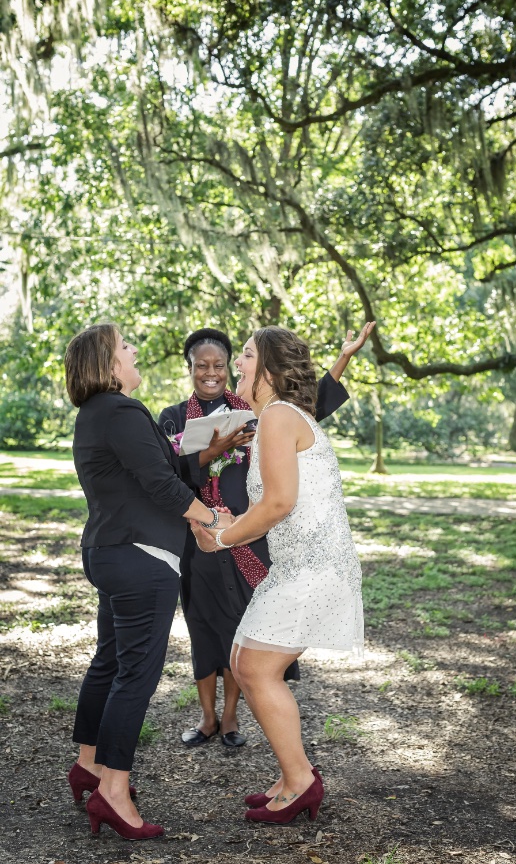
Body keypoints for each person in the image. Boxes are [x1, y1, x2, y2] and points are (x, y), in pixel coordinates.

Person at [158, 323, 374, 749]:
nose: (218, 370)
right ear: (189, 368)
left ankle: (239, 724)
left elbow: (309, 407)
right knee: (211, 633)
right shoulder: (172, 417)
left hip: (253, 539)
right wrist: (212, 459)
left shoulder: (263, 414)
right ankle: (210, 719)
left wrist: (343, 357)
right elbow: (166, 473)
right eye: (203, 365)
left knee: (247, 649)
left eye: (228, 361)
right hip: (205, 533)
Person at [63, 323, 232, 841]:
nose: (133, 351)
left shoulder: (97, 414)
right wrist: (212, 521)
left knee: (110, 661)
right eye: (125, 346)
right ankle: (114, 792)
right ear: (111, 365)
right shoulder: (122, 410)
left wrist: (210, 452)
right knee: (134, 675)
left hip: (110, 553)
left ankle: (89, 766)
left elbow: (159, 469)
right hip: (140, 558)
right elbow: (161, 485)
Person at [194, 326, 364, 825]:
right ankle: (294, 775)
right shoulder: (282, 415)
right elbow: (279, 504)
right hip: (298, 566)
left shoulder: (276, 417)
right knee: (244, 660)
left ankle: (300, 782)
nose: (236, 365)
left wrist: (224, 538)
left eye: (245, 355)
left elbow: (280, 502)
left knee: (255, 669)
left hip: (313, 568)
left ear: (266, 370)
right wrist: (228, 525)